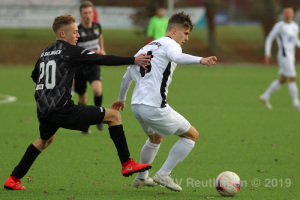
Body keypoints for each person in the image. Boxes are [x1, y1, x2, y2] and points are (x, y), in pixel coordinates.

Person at [3, 14, 152, 190]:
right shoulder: (70, 51)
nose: (78, 35)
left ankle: (13, 179)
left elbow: (36, 76)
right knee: (114, 116)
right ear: (62, 34)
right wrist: (133, 60)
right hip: (63, 110)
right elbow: (101, 60)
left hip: (43, 111)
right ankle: (127, 163)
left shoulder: (46, 51)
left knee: (44, 141)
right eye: (74, 32)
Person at [112, 12, 217, 192]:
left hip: (137, 106)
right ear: (174, 30)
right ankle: (164, 174)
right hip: (154, 106)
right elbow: (177, 58)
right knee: (192, 135)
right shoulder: (171, 45)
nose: (186, 38)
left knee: (155, 137)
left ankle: (142, 177)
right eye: (185, 33)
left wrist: (121, 98)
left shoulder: (146, 47)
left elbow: (126, 76)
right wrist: (201, 59)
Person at [260, 7, 300, 110]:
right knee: (292, 78)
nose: (287, 14)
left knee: (283, 79)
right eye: (286, 13)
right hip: (284, 56)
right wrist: (267, 53)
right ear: (283, 14)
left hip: (291, 56)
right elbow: (270, 38)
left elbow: (295, 41)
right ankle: (296, 103)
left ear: (292, 14)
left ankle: (265, 96)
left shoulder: (295, 27)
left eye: (289, 13)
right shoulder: (279, 26)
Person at [75, 1, 106, 133]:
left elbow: (100, 37)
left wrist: (102, 49)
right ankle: (84, 124)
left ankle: (99, 118)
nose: (88, 15)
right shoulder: (77, 30)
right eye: (85, 13)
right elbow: (74, 51)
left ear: (93, 13)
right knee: (83, 99)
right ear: (81, 15)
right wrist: (88, 53)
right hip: (81, 68)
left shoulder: (97, 26)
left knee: (97, 90)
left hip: (94, 66)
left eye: (90, 13)